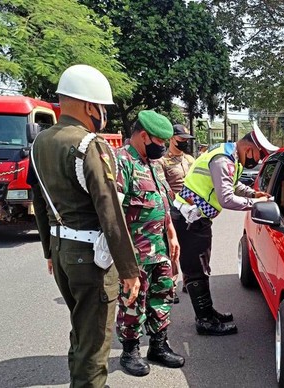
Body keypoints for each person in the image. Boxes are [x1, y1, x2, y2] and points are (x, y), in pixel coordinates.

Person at [29, 64, 140, 388]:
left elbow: (39, 203)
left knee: (81, 332)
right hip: (91, 258)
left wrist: (49, 250)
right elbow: (109, 211)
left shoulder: (41, 143)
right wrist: (129, 270)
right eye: (102, 107)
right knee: (94, 348)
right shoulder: (90, 145)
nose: (103, 114)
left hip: (63, 252)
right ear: (90, 106)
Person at [171, 124, 277, 336]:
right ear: (249, 149)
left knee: (202, 268)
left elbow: (233, 184)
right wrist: (254, 204)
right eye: (258, 156)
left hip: (197, 219)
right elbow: (226, 198)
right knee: (196, 271)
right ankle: (205, 321)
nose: (256, 161)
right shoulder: (223, 159)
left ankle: (208, 312)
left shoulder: (230, 157)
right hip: (189, 219)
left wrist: (254, 194)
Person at [115, 110, 185, 376]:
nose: (163, 147)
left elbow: (163, 202)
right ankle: (130, 351)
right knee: (133, 301)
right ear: (143, 136)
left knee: (163, 295)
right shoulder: (122, 162)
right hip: (136, 252)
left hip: (161, 249)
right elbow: (114, 212)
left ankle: (158, 345)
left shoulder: (155, 165)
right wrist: (123, 261)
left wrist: (172, 233)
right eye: (159, 141)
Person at [156, 124, 196, 303]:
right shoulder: (162, 161)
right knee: (173, 248)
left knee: (191, 247)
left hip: (193, 209)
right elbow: (164, 188)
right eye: (182, 140)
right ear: (172, 139)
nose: (185, 143)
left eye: (187, 140)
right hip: (174, 210)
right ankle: (171, 286)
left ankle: (189, 281)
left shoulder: (190, 159)